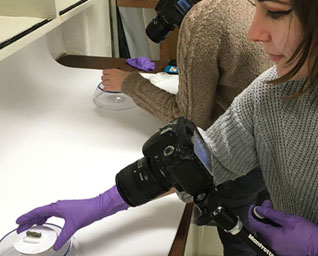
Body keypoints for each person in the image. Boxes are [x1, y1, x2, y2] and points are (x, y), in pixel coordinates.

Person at [16, 0, 318, 255]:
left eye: (276, 11)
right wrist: (101, 203)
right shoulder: (272, 91)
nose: (254, 31)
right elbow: (199, 163)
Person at [103, 0, 272, 255]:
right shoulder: (263, 7)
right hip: (279, 147)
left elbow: (189, 120)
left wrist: (130, 83)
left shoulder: (208, 16)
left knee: (242, 240)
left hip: (242, 157)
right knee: (266, 223)